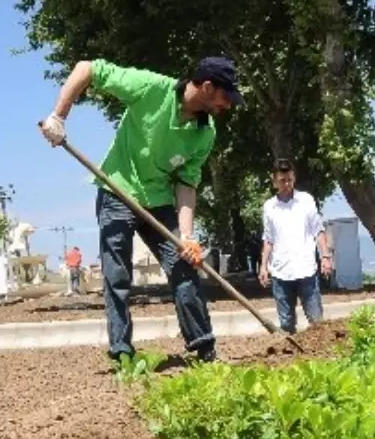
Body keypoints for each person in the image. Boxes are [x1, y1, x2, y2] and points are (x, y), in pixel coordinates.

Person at [40, 56, 243, 362]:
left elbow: (186, 185)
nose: (228, 105)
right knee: (117, 275)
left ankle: (204, 348)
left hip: (159, 201)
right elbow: (87, 68)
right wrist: (59, 116)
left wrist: (187, 236)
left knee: (184, 264)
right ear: (207, 86)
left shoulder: (206, 132)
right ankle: (122, 351)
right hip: (117, 193)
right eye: (226, 97)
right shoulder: (151, 88)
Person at [258, 159, 333, 334]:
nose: (287, 184)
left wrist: (325, 257)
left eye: (290, 180)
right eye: (282, 180)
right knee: (286, 324)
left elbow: (318, 231)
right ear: (274, 180)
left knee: (317, 321)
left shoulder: (306, 201)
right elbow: (268, 238)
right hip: (280, 273)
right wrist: (263, 266)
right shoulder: (269, 207)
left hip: (306, 269)